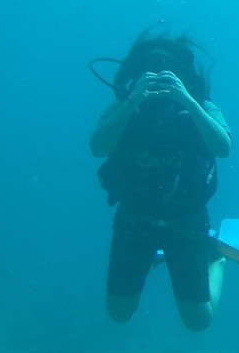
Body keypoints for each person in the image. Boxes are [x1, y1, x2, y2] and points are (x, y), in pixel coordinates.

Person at [89, 30, 231, 331]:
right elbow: (98, 147)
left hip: (186, 221)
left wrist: (187, 100)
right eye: (149, 65)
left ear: (182, 72)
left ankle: (216, 259)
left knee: (198, 321)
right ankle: (156, 254)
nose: (157, 72)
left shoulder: (201, 106)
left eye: (166, 66)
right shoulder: (123, 107)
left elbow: (223, 148)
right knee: (119, 312)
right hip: (135, 220)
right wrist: (132, 102)